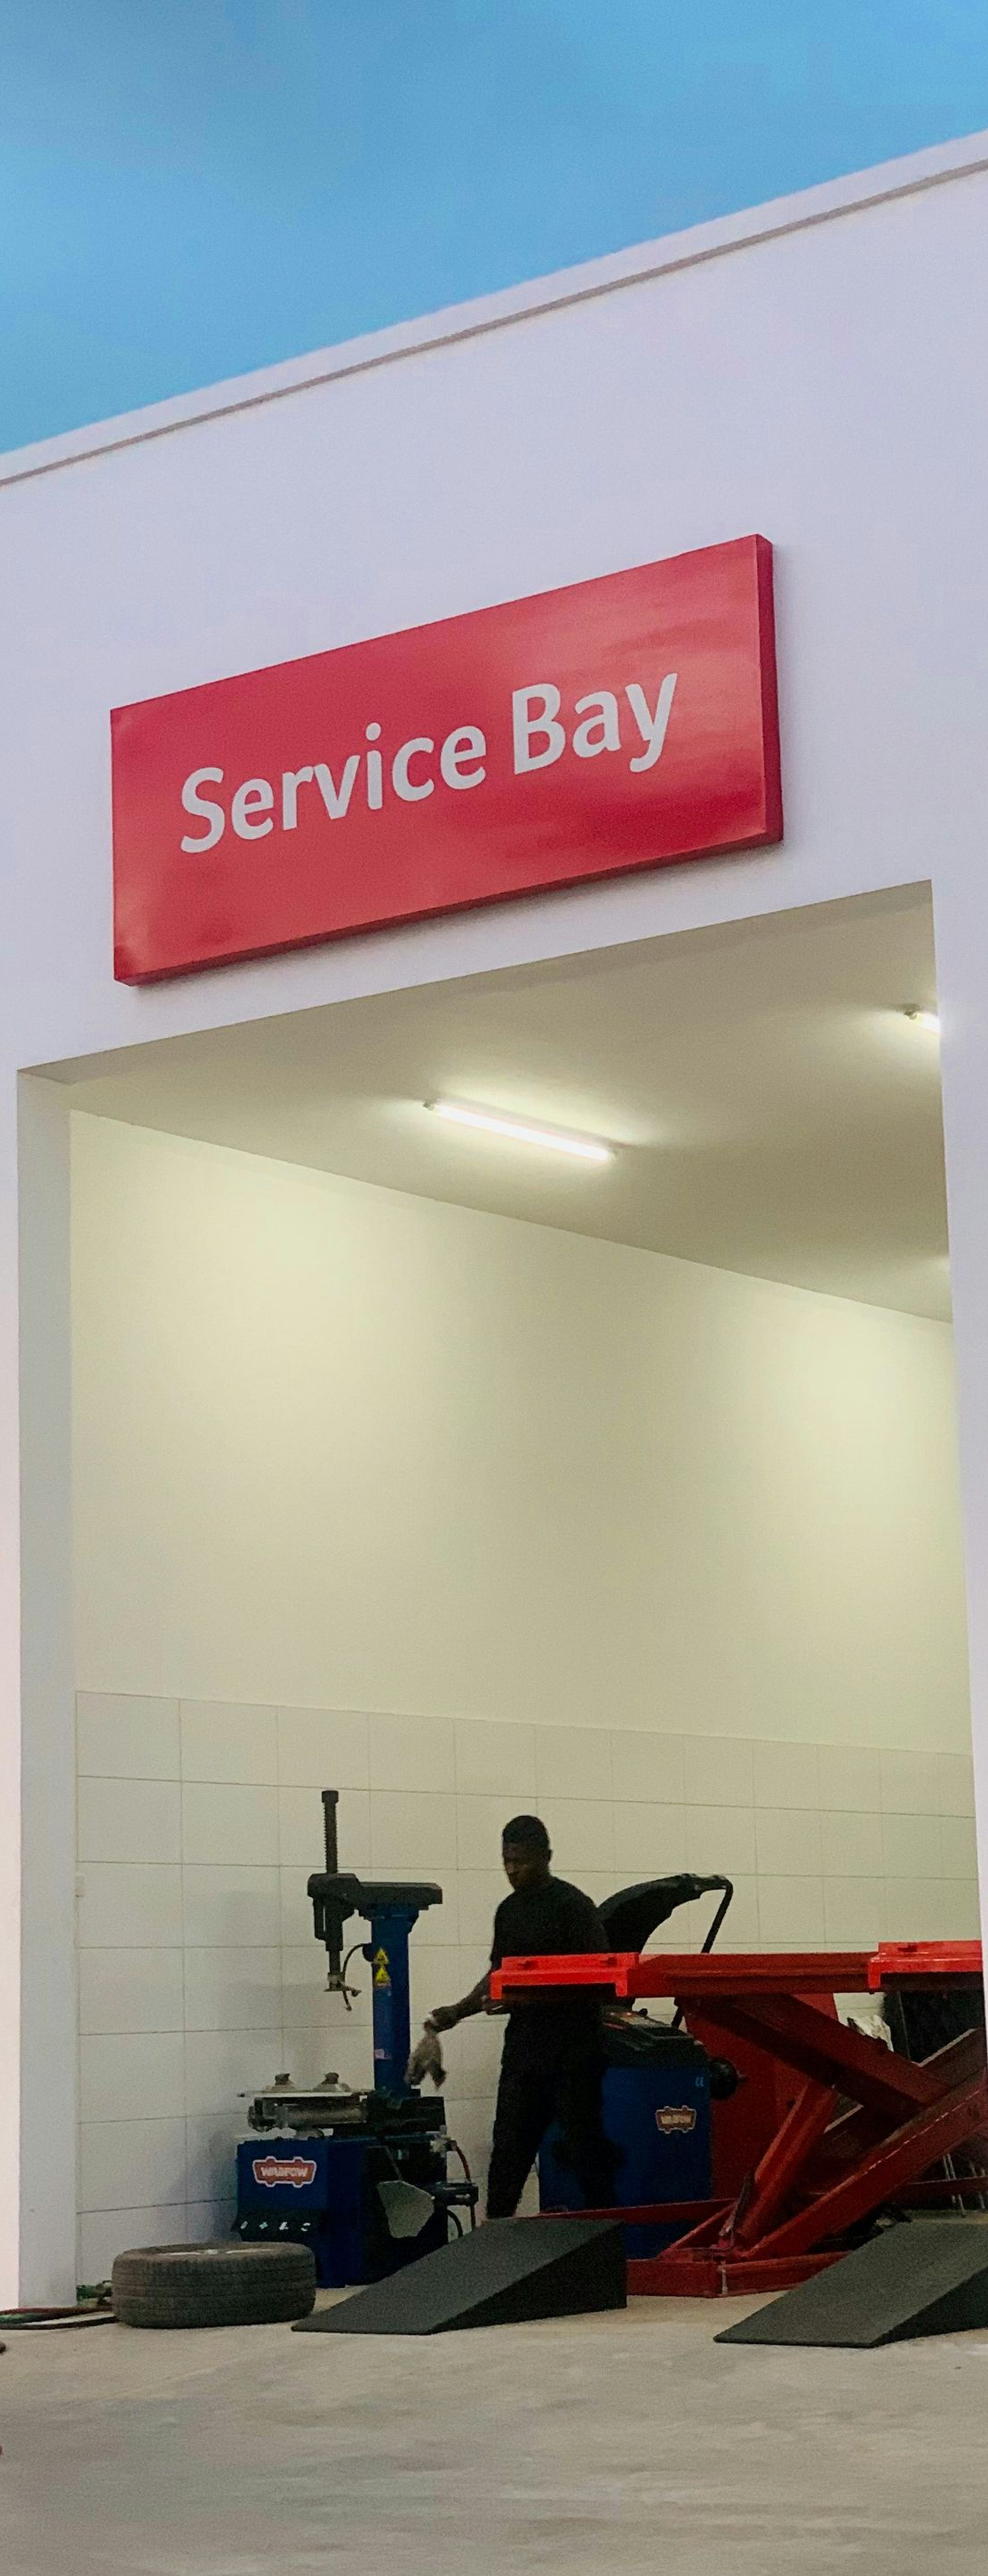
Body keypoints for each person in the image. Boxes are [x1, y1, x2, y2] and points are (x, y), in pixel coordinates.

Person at [427, 1812, 618, 2219]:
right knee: (509, 2150)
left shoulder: (574, 1907)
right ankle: (497, 2237)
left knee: (584, 2147)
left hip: (575, 2050)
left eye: (522, 1862)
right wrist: (457, 2013)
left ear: (546, 1857)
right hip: (526, 2052)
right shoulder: (509, 1911)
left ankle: (607, 2236)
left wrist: (526, 2000)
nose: (512, 1871)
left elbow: (598, 1983)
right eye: (507, 1862)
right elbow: (500, 1973)